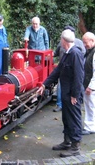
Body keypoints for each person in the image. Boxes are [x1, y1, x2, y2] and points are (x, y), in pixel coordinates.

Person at [37, 29, 84, 157]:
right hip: (66, 94)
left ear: (63, 40)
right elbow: (57, 71)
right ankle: (67, 142)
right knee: (67, 118)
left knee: (74, 119)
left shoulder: (75, 54)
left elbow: (79, 77)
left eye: (60, 40)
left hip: (72, 95)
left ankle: (75, 147)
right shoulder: (68, 54)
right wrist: (44, 84)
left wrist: (75, 94)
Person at [53, 25, 86, 112]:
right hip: (64, 70)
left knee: (77, 84)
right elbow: (56, 52)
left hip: (72, 72)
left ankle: (77, 99)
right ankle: (60, 104)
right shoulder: (63, 47)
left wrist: (75, 95)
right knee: (61, 87)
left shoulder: (76, 51)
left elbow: (78, 76)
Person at [81, 32, 95, 135]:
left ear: (92, 41)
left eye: (85, 42)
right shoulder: (90, 51)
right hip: (89, 83)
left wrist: (90, 86)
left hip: (91, 85)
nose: (84, 45)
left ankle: (90, 127)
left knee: (90, 106)